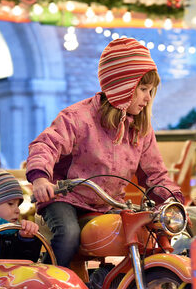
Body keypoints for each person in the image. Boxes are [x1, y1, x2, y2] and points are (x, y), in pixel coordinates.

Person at [26, 36, 184, 267]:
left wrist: (173, 201)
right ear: (122, 86)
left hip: (109, 203)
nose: (148, 98)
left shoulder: (140, 129)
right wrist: (40, 178)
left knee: (144, 237)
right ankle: (48, 282)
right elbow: (47, 144)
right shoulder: (77, 117)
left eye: (151, 91)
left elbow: (156, 175)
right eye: (143, 89)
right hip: (66, 198)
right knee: (68, 236)